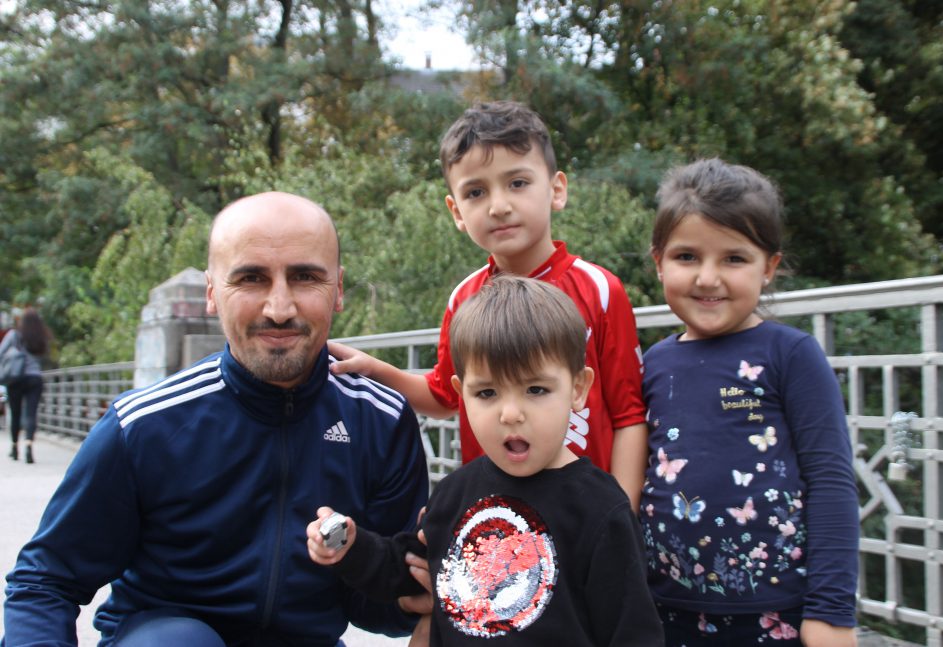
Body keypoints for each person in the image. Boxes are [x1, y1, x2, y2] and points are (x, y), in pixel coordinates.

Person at [3, 192, 430, 646]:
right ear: (212, 292)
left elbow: (372, 602)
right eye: (251, 278)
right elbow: (44, 580)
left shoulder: (382, 421)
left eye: (305, 277)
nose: (279, 308)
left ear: (339, 289)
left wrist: (404, 599)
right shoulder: (145, 426)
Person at [308, 276, 665, 646]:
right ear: (462, 395)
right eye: (487, 392)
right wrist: (351, 547)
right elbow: (407, 568)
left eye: (536, 389)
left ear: (577, 389)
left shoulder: (601, 509)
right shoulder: (453, 494)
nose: (510, 414)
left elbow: (633, 630)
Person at [330, 100, 648, 510]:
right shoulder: (463, 298)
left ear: (556, 189)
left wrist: (621, 515)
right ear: (456, 211)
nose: (498, 205)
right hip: (497, 521)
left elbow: (629, 416)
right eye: (476, 192)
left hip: (584, 519)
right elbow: (447, 397)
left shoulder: (601, 289)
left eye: (517, 182)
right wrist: (376, 370)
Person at [639, 158, 859, 646]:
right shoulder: (652, 363)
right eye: (687, 257)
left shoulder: (791, 354)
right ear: (658, 262)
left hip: (777, 616)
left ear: (769, 268)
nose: (708, 278)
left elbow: (831, 481)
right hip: (663, 613)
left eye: (734, 259)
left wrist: (832, 612)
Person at [0, 307, 52, 464]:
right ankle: (29, 444)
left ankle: (15, 447)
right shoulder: (40, 335)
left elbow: (1, 352)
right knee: (31, 413)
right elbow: (44, 356)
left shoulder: (14, 335)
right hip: (35, 378)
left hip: (15, 378)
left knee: (15, 413)